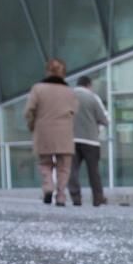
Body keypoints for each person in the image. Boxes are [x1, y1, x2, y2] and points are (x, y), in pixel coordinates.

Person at [24, 58, 78, 206]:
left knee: (44, 162)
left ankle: (48, 187)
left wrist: (32, 124)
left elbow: (29, 110)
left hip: (43, 130)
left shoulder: (38, 89)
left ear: (47, 71)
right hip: (64, 133)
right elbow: (74, 111)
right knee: (64, 167)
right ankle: (61, 195)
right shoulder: (70, 92)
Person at [68, 75, 110, 207]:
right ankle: (98, 198)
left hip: (71, 139)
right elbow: (104, 119)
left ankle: (76, 197)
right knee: (94, 171)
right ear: (89, 85)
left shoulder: (68, 97)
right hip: (91, 140)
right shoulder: (93, 98)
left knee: (72, 169)